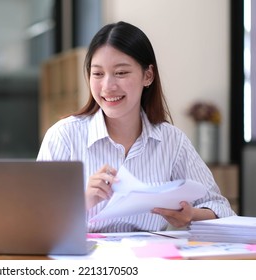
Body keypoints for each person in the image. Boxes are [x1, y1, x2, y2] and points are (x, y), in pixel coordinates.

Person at [37, 21, 236, 233]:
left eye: (121, 73)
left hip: (150, 261)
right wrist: (82, 201)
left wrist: (190, 216)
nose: (107, 86)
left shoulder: (171, 141)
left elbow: (221, 208)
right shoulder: (64, 136)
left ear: (147, 76)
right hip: (84, 264)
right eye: (97, 74)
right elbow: (33, 217)